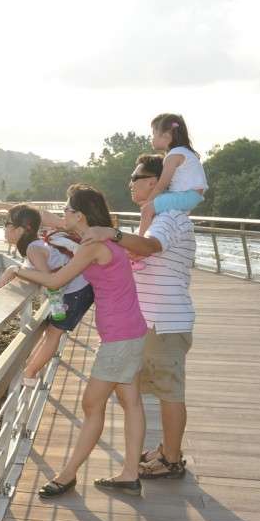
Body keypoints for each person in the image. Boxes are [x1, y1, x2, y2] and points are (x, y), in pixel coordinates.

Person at [2, 185, 147, 498]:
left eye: (67, 210)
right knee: (131, 402)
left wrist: (17, 270)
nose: (61, 215)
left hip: (120, 337)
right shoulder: (97, 238)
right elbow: (49, 221)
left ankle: (67, 475)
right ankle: (130, 474)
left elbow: (56, 281)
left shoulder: (92, 245)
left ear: (79, 215)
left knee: (91, 404)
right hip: (130, 331)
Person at [81, 153, 196, 480]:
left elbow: (149, 248)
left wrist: (112, 233)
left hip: (165, 321)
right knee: (147, 389)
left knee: (169, 392)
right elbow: (135, 251)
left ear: (154, 181)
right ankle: (165, 450)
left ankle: (172, 459)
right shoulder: (159, 216)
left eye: (135, 177)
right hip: (152, 322)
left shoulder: (169, 217)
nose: (130, 183)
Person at [0, 204, 94, 387]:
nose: (4, 228)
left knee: (52, 334)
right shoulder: (36, 245)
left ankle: (30, 374)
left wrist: (15, 270)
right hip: (77, 288)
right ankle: (31, 369)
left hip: (76, 291)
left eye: (7, 223)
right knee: (51, 332)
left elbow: (48, 278)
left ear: (19, 229)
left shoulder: (33, 249)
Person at [137, 113, 207, 237]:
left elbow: (161, 185)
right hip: (189, 195)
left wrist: (148, 202)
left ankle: (140, 242)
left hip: (187, 196)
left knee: (147, 209)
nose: (151, 139)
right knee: (152, 203)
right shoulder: (184, 152)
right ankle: (152, 231)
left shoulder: (174, 155)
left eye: (153, 134)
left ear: (166, 136)